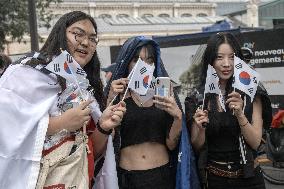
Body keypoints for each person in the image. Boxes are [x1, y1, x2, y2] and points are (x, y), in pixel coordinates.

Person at [0, 11, 126, 189]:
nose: (85, 42)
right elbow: (6, 126)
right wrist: (60, 123)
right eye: (78, 34)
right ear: (60, 34)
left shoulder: (85, 88)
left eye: (92, 38)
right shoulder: (25, 72)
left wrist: (103, 127)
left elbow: (91, 153)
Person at [191, 32, 272, 189]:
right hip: (214, 179)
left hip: (249, 179)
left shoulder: (251, 92)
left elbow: (255, 142)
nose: (226, 63)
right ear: (210, 60)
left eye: (232, 57)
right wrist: (200, 128)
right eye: (220, 57)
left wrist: (241, 115)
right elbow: (197, 146)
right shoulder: (199, 97)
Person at [105, 36, 182, 189]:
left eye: (149, 60)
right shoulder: (117, 94)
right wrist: (109, 101)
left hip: (162, 176)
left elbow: (172, 145)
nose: (143, 66)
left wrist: (178, 117)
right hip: (128, 179)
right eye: (136, 60)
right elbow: (107, 140)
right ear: (127, 62)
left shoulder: (163, 92)